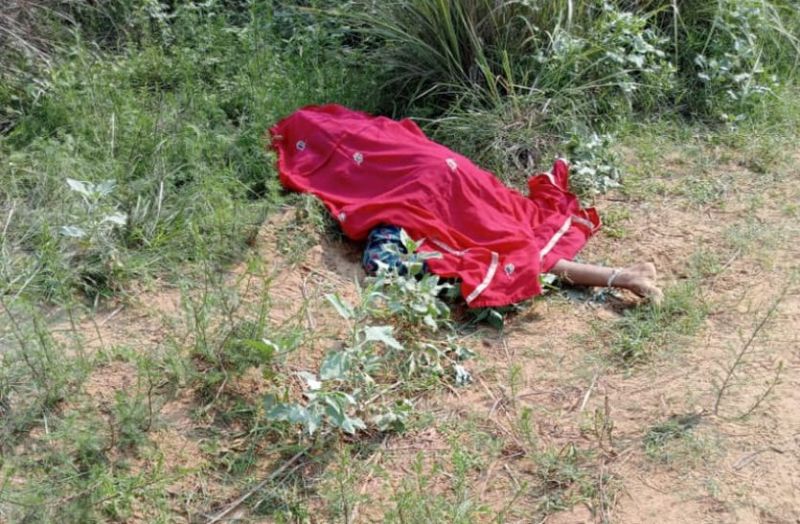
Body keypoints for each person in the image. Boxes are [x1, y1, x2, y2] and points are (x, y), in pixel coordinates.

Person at [270, 104, 662, 307]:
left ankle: (623, 277)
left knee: (499, 249)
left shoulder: (331, 161)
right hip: (454, 170)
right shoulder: (373, 129)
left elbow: (333, 182)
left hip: (422, 193)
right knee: (513, 231)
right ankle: (623, 276)